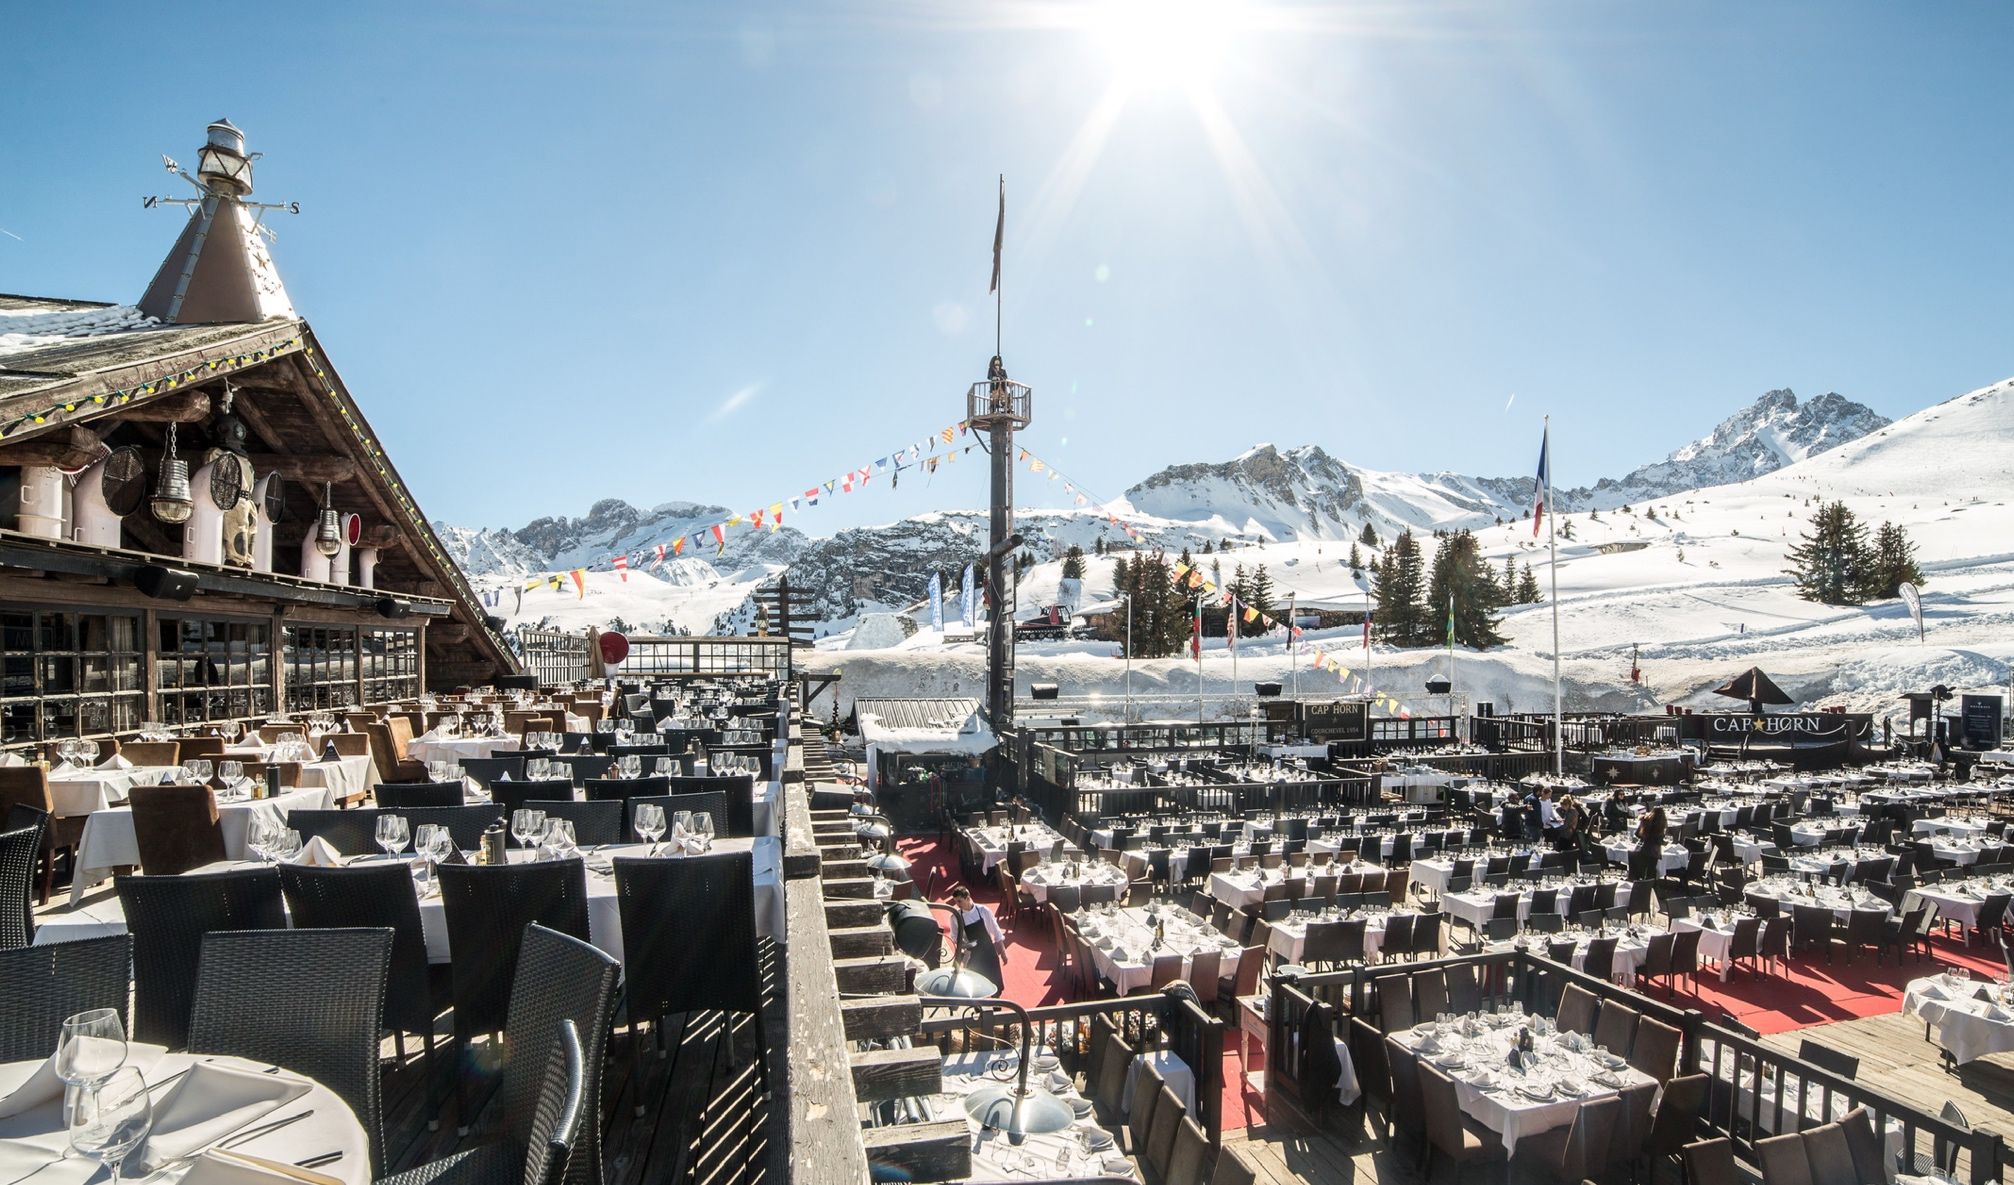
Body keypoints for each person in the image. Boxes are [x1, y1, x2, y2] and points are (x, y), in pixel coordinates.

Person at [946, 885, 1007, 987]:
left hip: (988, 952)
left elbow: (996, 931)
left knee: (994, 983)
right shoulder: (955, 917)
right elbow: (954, 936)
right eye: (956, 901)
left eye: (959, 901)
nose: (957, 904)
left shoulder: (983, 911)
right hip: (972, 955)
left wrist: (1003, 952)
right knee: (974, 984)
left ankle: (996, 1001)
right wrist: (965, 945)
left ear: (968, 898)